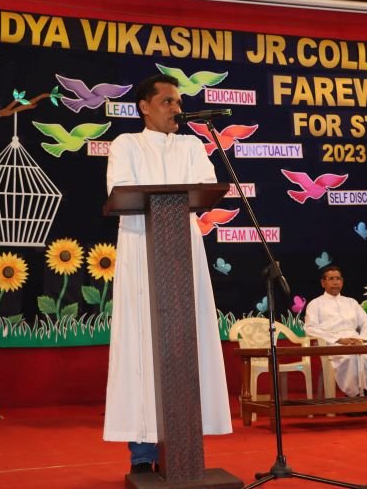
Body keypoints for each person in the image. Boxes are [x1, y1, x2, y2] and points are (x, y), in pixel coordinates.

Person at [103, 74, 232, 474]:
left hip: (183, 251)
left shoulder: (192, 145)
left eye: (178, 102)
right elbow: (121, 188)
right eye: (167, 101)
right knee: (141, 347)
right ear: (144, 106)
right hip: (140, 249)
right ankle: (142, 453)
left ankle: (184, 447)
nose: (176, 108)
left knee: (186, 344)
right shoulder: (126, 144)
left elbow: (206, 187)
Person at [304, 266, 367, 398]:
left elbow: (366, 323)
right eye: (331, 279)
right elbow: (310, 328)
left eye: (338, 279)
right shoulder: (315, 304)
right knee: (350, 356)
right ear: (323, 283)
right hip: (333, 343)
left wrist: (362, 339)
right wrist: (339, 340)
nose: (335, 282)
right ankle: (354, 396)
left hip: (356, 340)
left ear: (342, 282)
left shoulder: (351, 302)